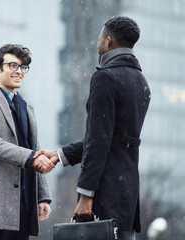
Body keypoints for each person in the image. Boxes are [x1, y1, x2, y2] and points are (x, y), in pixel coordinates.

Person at [35, 16, 151, 240]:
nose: (97, 43)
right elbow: (112, 138)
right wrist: (60, 155)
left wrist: (86, 194)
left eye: (99, 38)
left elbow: (99, 139)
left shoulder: (105, 78)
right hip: (127, 192)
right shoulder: (140, 81)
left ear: (108, 42)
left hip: (104, 191)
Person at [0, 44, 54, 240]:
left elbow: (36, 149)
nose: (20, 72)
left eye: (23, 67)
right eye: (13, 66)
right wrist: (30, 157)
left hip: (24, 204)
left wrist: (43, 197)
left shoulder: (27, 107)